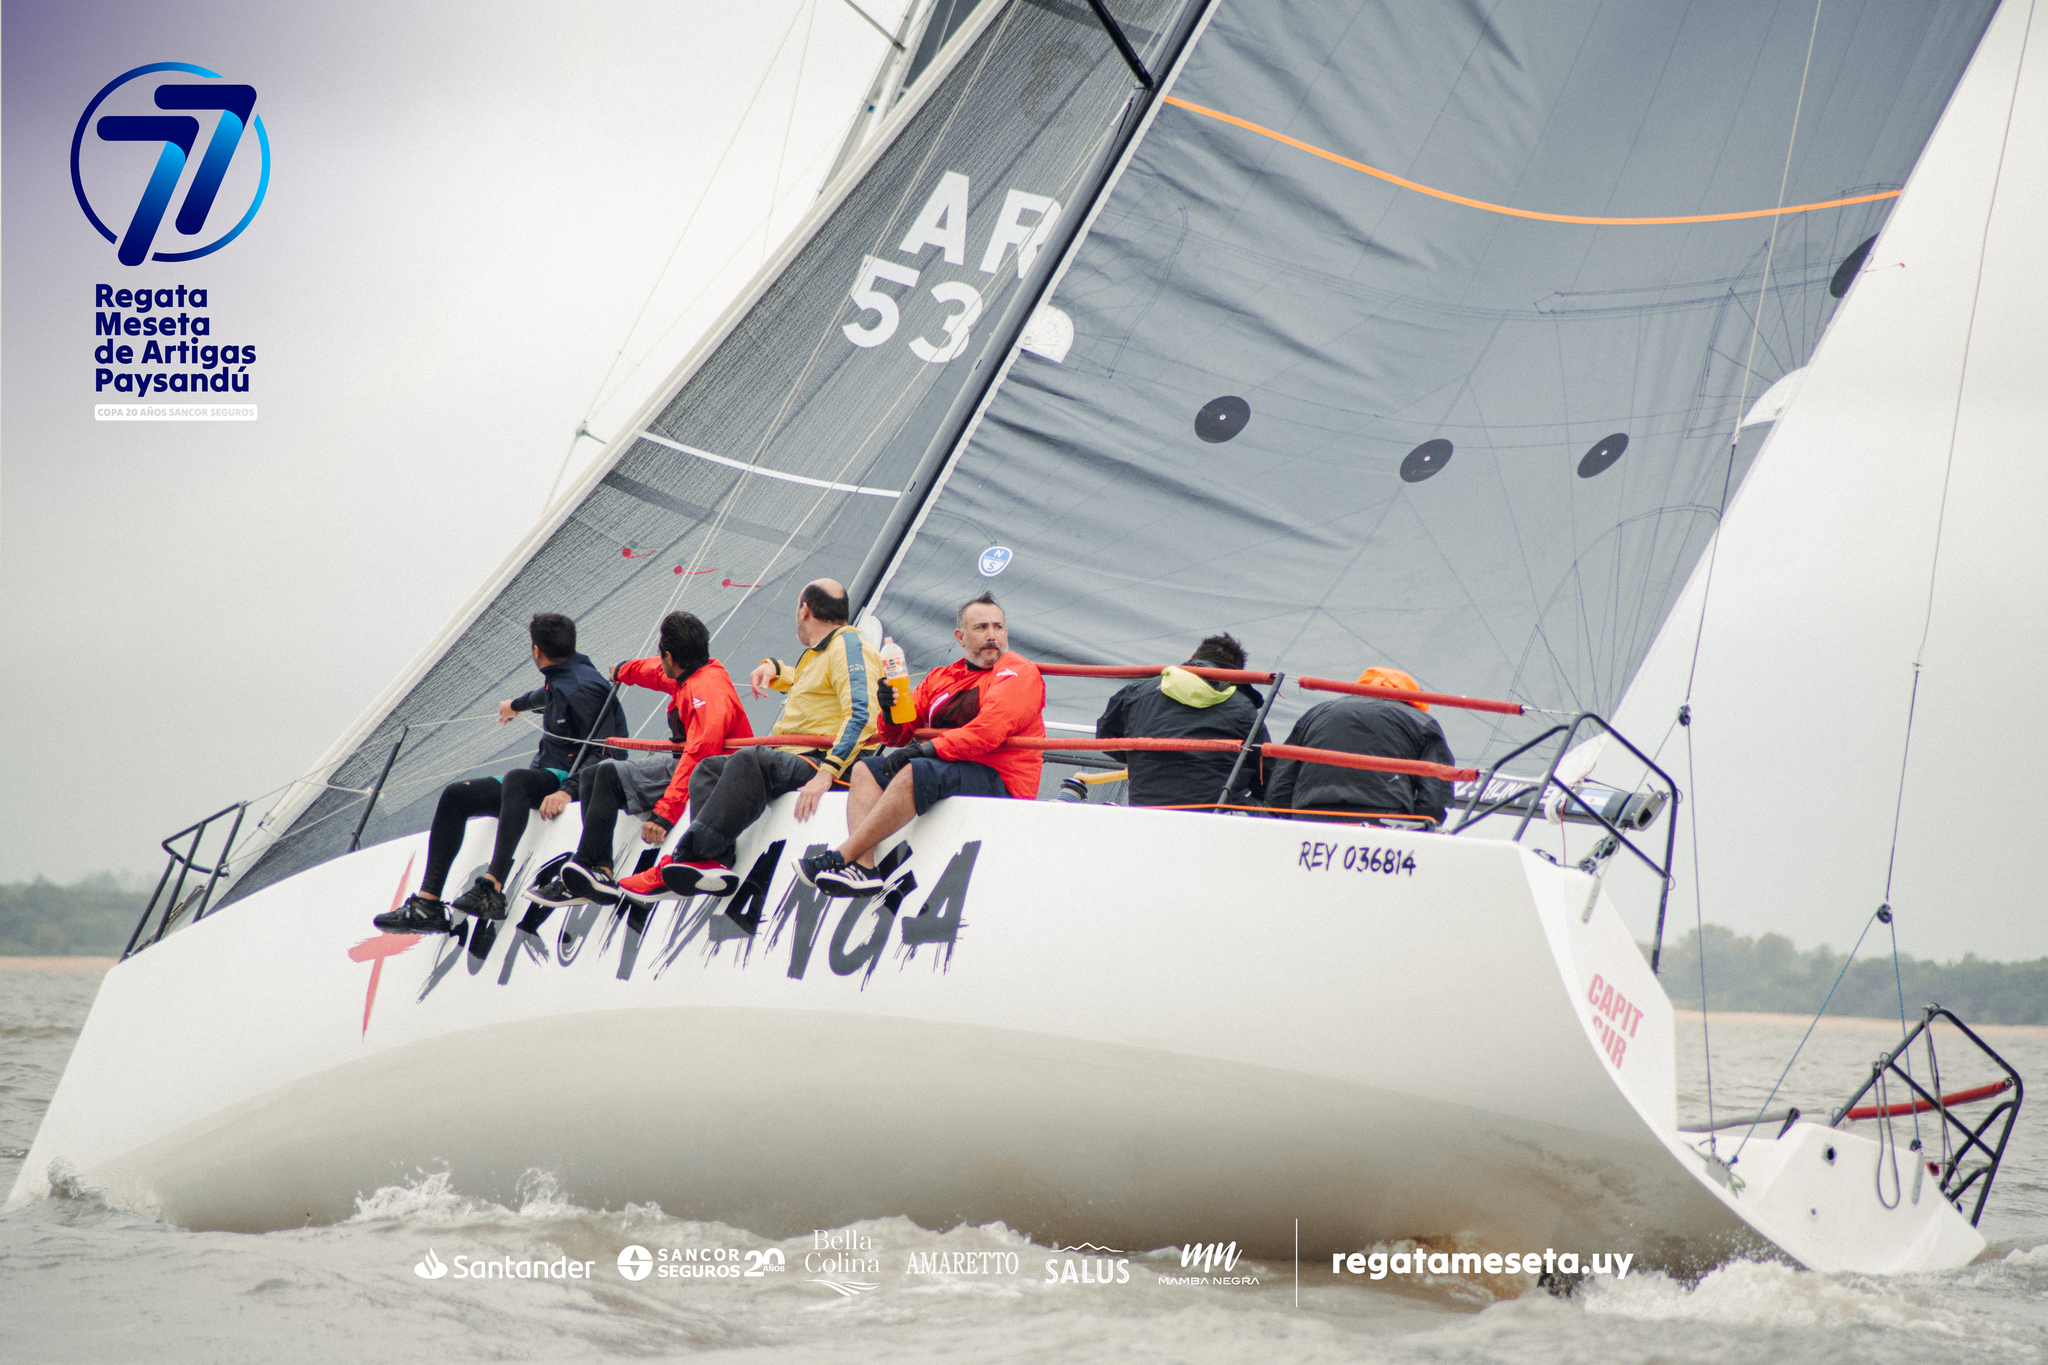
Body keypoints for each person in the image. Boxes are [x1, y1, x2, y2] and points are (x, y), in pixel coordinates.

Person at [375, 612, 626, 932]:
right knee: (457, 795)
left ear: (536, 650)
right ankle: (428, 904)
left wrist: (568, 791)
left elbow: (607, 750)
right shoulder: (564, 677)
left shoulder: (583, 686)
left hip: (565, 780)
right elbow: (549, 697)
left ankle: (492, 888)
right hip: (545, 776)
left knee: (516, 779)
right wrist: (516, 706)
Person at [798, 591, 1044, 897]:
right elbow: (897, 736)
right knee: (865, 769)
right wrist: (889, 711)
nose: (992, 635)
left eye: (998, 627)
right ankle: (862, 867)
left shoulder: (1018, 671)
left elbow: (990, 730)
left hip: (1002, 780)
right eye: (981, 628)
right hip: (952, 765)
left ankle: (840, 856)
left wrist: (927, 749)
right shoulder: (942, 677)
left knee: (915, 770)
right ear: (960, 636)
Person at [658, 578, 882, 896]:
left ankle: (689, 854)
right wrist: (775, 669)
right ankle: (715, 861)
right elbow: (813, 683)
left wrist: (826, 774)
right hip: (801, 757)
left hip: (826, 764)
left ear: (804, 611)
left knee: (751, 759)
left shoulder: (848, 647)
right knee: (708, 768)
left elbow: (861, 715)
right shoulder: (825, 650)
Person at [523, 611, 752, 906]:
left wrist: (664, 815)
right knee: (594, 774)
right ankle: (598, 870)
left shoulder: (705, 690)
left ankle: (587, 865)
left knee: (608, 774)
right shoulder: (693, 672)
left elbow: (699, 756)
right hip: (696, 765)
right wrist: (624, 670)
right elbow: (656, 671)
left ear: (671, 656)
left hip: (713, 772)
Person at [1095, 632, 1269, 808]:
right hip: (1212, 813)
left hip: (1145, 806)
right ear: (1238, 675)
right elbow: (1265, 773)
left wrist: (1145, 758)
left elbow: (1106, 740)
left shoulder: (1136, 692)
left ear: (1191, 658)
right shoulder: (1243, 708)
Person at [1263, 667, 1455, 825]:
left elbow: (1280, 785)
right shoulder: (1421, 722)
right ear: (1414, 698)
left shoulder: (1316, 714)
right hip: (1384, 821)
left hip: (1310, 817)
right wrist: (1417, 826)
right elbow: (1435, 793)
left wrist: (1294, 818)